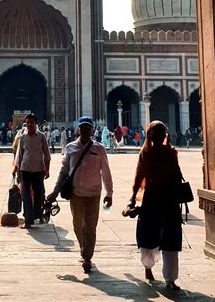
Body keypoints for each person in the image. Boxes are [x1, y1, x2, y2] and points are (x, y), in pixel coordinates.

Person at [46, 116, 113, 274]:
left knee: (90, 227)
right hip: (76, 193)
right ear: (78, 129)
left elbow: (106, 172)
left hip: (93, 193)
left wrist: (109, 193)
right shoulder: (70, 147)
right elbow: (64, 171)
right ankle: (84, 247)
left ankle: (87, 256)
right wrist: (55, 191)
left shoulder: (99, 148)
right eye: (82, 127)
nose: (84, 129)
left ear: (92, 130)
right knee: (77, 225)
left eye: (87, 127)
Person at [126, 119, 184, 291]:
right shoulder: (147, 154)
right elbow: (139, 177)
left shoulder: (169, 153)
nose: (158, 137)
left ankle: (168, 278)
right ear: (151, 136)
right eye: (155, 134)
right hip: (157, 198)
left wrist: (133, 197)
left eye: (160, 134)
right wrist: (133, 197)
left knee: (169, 238)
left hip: (162, 199)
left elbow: (176, 174)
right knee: (150, 236)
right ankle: (150, 269)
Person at [14, 113, 51, 229]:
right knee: (26, 195)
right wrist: (17, 169)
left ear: (35, 124)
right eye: (28, 122)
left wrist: (47, 169)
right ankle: (28, 220)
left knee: (38, 195)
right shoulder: (23, 137)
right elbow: (19, 155)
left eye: (32, 122)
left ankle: (37, 215)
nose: (29, 124)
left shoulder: (41, 136)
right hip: (25, 169)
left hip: (38, 170)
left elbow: (47, 154)